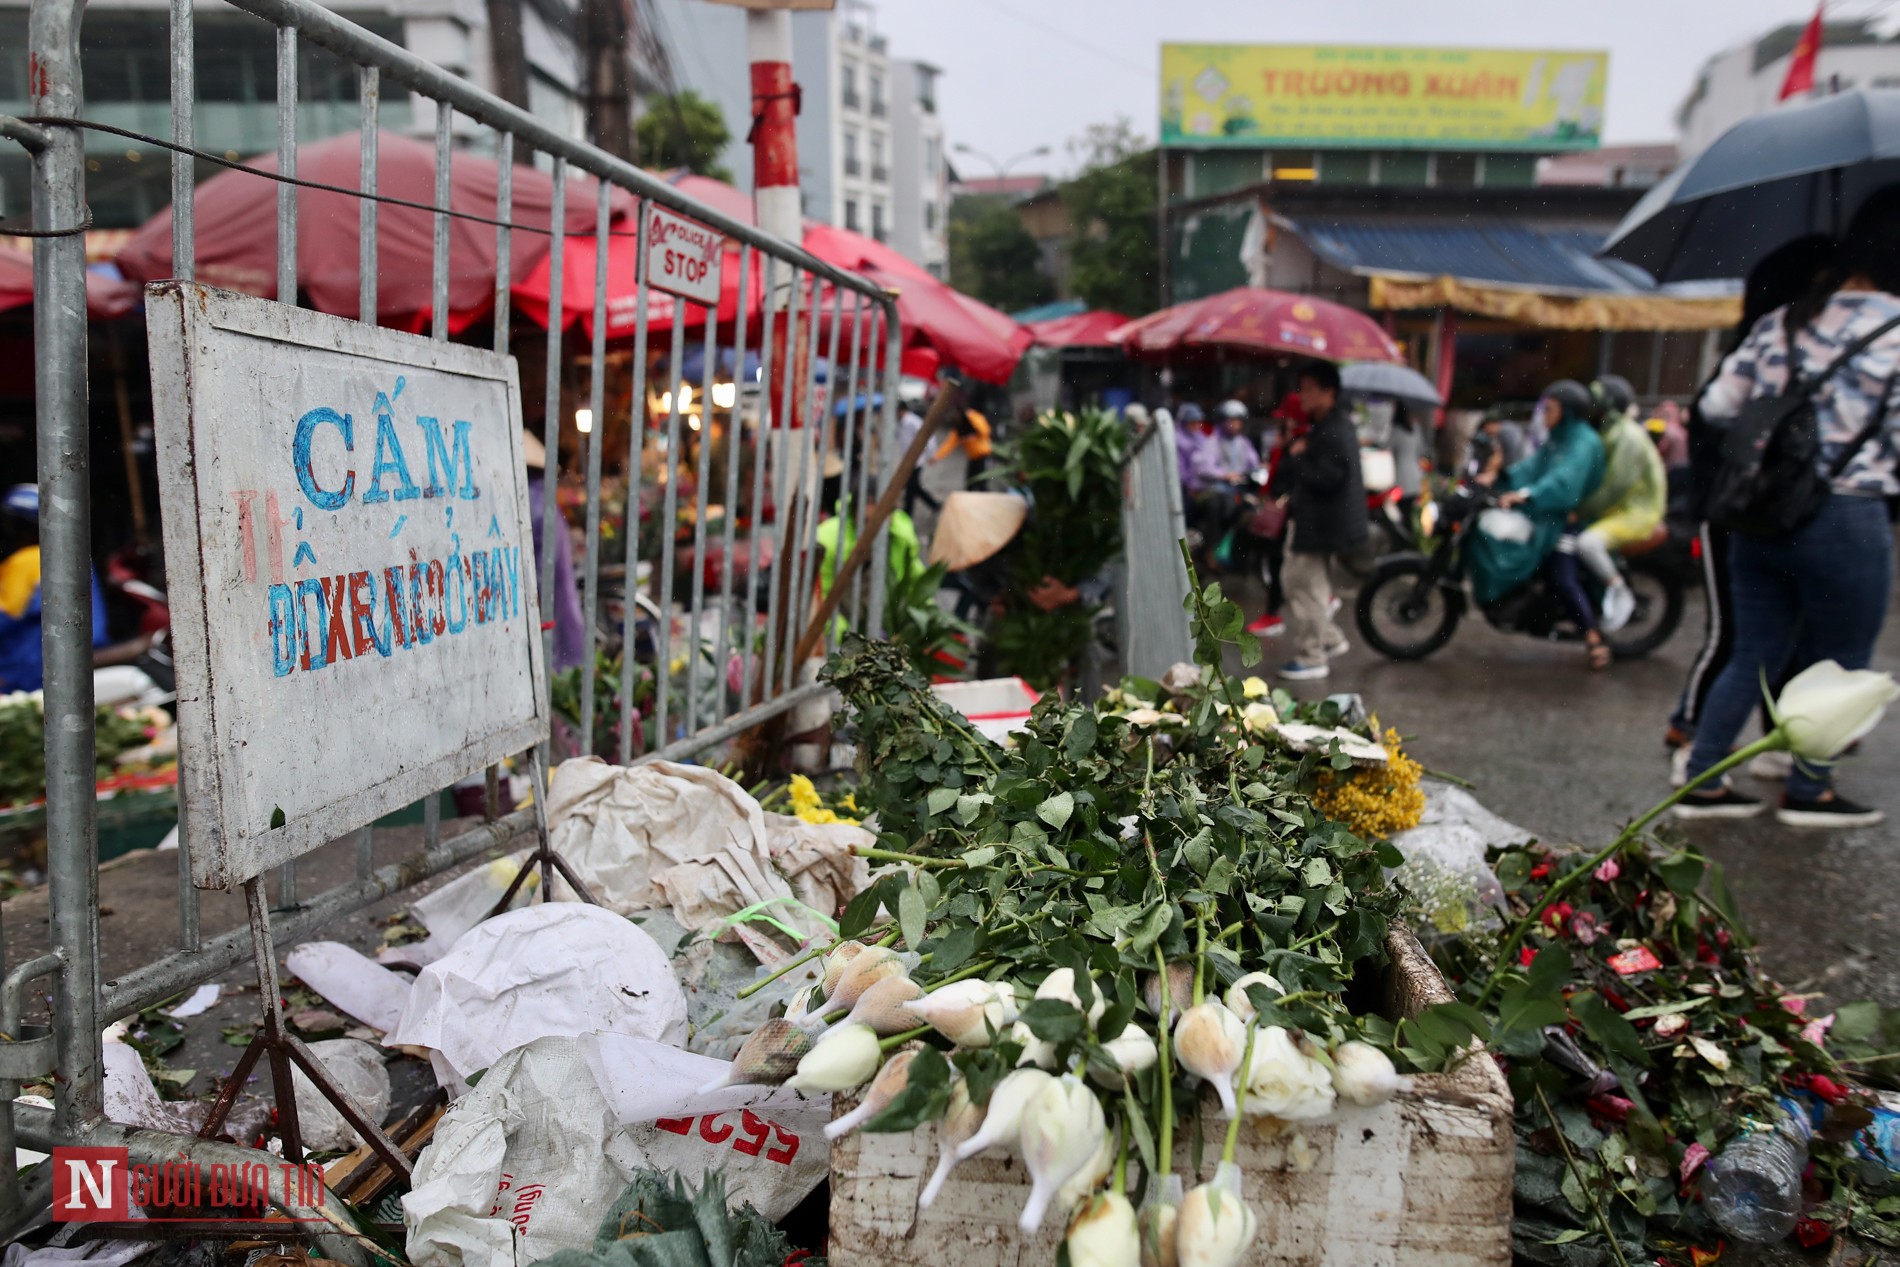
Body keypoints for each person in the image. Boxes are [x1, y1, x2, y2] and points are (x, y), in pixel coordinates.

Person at [1673, 192, 1900, 828]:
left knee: (1754, 651)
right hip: (1847, 514)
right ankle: (1810, 791)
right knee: (1845, 656)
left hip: (1761, 512)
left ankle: (1704, 777)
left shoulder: (1786, 320)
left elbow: (1716, 406)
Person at [1664, 234, 1841, 777]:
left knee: (1780, 636)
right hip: (1735, 518)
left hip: (1785, 518)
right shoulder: (1754, 358)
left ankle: (1772, 735)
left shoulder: (1798, 360)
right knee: (1735, 634)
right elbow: (1711, 429)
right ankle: (1690, 731)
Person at [1464, 382, 1606, 650]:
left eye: (1550, 409)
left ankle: (1593, 636)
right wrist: (1501, 478)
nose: (1544, 415)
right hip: (1547, 513)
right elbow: (1532, 466)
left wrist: (1528, 495)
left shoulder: (1583, 442)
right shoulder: (1558, 439)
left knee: (1560, 576)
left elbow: (1564, 482)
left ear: (1566, 411)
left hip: (1570, 519)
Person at [1278, 362, 1367, 682]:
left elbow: (1327, 478)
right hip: (1319, 523)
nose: (1302, 396)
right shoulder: (1328, 424)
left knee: (1305, 588)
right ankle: (1329, 639)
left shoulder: (1333, 429)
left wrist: (1301, 455)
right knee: (1302, 584)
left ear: (1328, 393)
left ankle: (1311, 656)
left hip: (1320, 524)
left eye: (1309, 389)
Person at [1574, 374, 1667, 646]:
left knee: (1587, 543)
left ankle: (1619, 593)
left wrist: (1580, 509)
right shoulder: (1608, 432)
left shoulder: (1627, 436)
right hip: (1617, 509)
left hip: (1637, 514)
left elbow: (1613, 487)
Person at [0, 485, 111, 693]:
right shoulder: (74, 557)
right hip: (76, 663)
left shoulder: (27, 561)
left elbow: (5, 618)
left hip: (29, 674)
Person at [523, 431, 587, 673]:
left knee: (552, 656)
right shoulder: (543, 497)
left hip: (546, 593)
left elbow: (538, 567)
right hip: (559, 586)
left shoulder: (529, 498)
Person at [1191, 400, 1262, 550]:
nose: (1235, 425)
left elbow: (1253, 464)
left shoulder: (1244, 443)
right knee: (1215, 510)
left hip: (1240, 491)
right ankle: (1211, 551)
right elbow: (1204, 467)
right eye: (1231, 421)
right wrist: (1224, 475)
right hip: (1217, 491)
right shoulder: (1213, 442)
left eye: (1238, 421)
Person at [933, 406, 994, 488]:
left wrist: (971, 417)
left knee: (982, 482)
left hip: (983, 455)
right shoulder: (958, 430)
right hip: (973, 457)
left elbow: (985, 430)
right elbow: (948, 445)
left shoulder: (972, 418)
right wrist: (936, 457)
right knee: (970, 482)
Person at [896, 399, 939, 515]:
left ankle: (909, 511)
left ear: (901, 410)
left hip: (916, 460)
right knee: (913, 486)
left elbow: (928, 436)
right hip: (907, 460)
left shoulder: (913, 422)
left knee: (912, 486)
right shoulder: (900, 423)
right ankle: (933, 505)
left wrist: (931, 454)